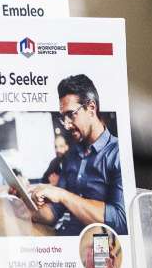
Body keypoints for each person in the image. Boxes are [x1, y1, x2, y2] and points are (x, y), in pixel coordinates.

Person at [28, 75, 127, 235]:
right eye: (63, 117)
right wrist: (30, 202)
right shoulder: (72, 156)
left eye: (71, 114)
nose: (66, 124)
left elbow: (121, 220)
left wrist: (62, 195)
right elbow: (54, 212)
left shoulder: (117, 154)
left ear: (91, 108)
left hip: (94, 250)